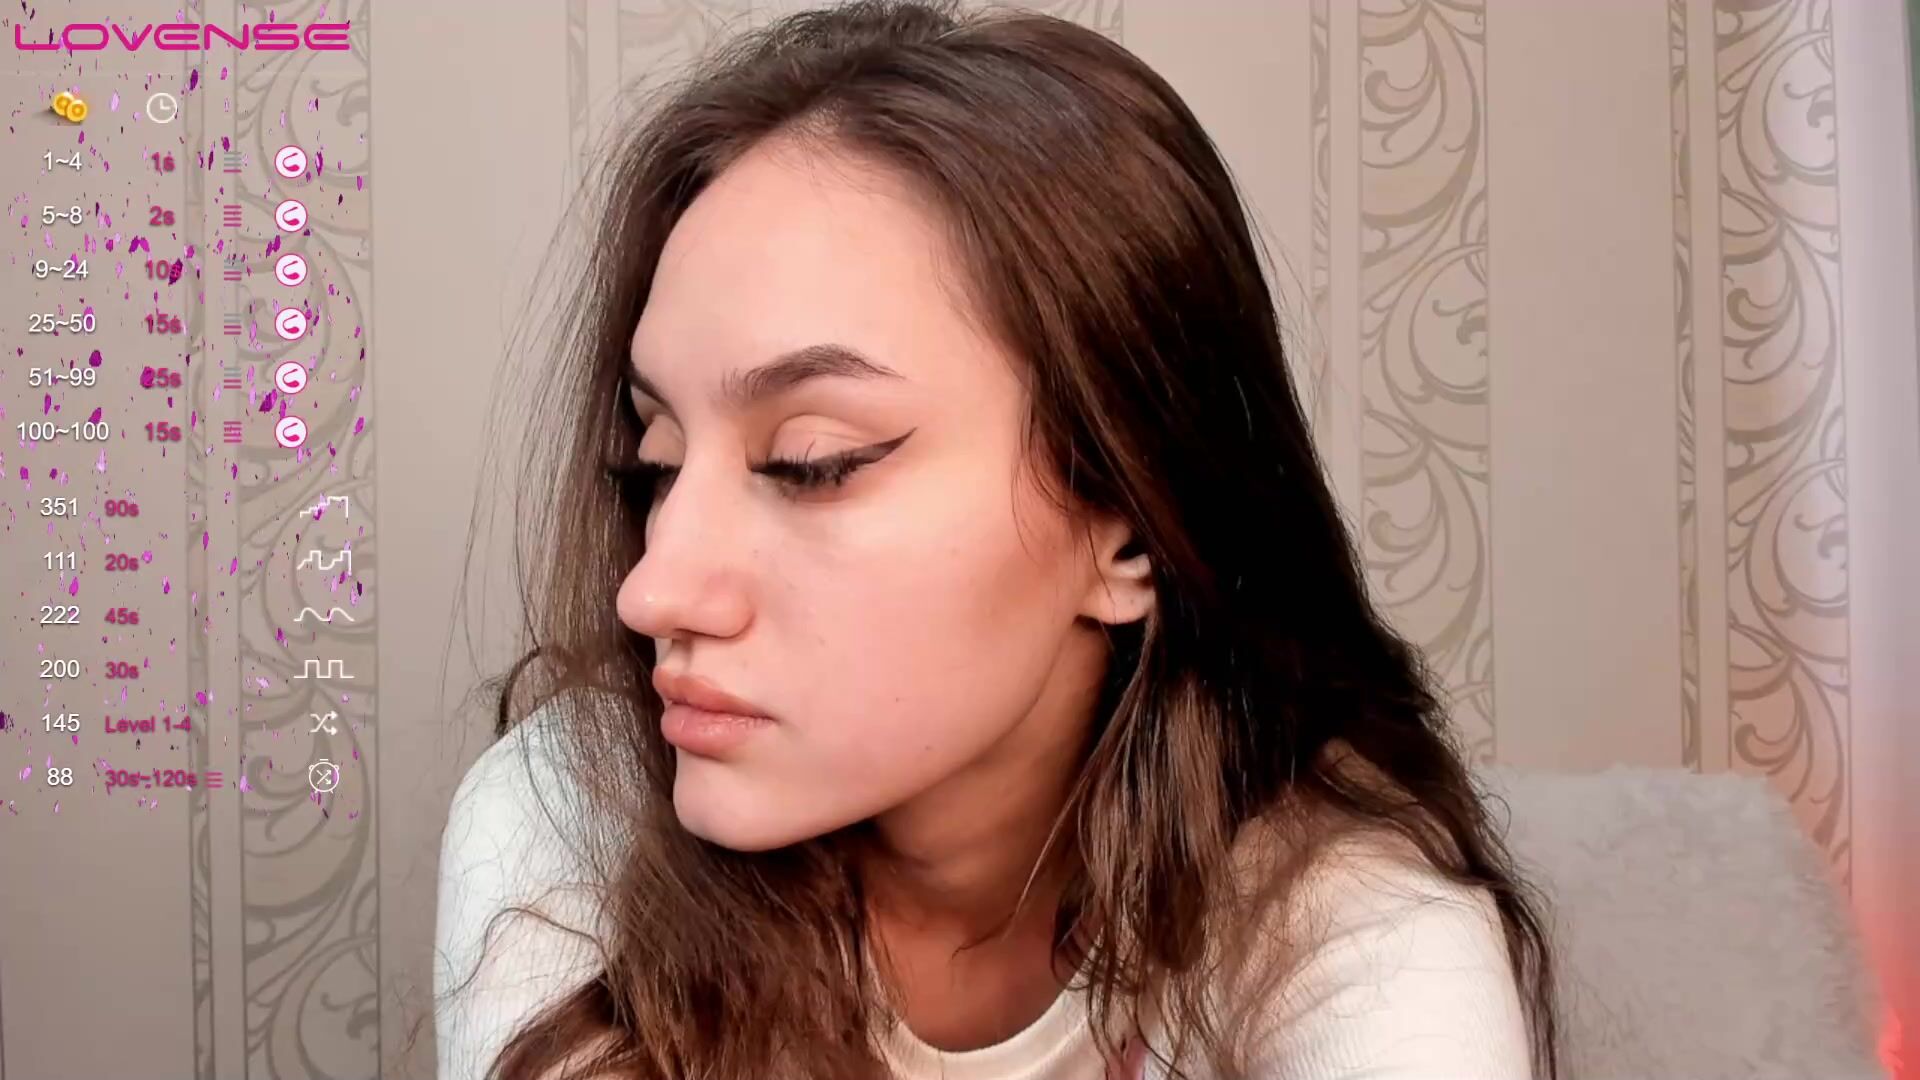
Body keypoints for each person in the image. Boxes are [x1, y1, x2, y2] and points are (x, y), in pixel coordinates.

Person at [434, 2, 1561, 1078]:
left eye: (813, 461)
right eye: (658, 463)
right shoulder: (576, 812)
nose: (652, 592)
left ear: (1130, 527)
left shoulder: (1339, 921)